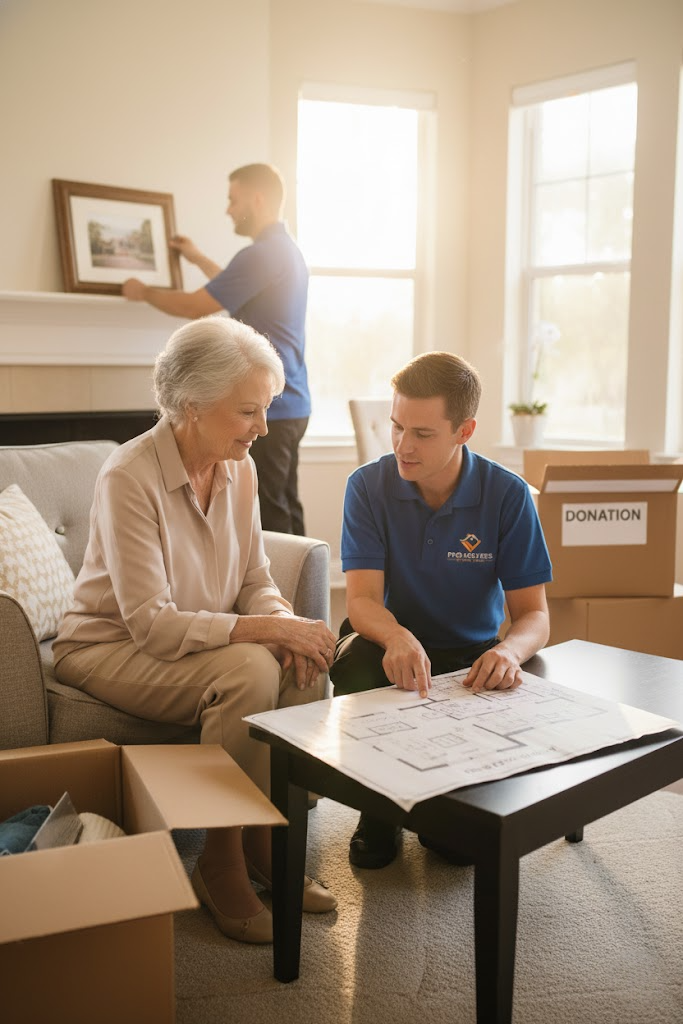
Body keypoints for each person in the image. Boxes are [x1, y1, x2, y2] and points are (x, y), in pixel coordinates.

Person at [53, 314, 337, 943]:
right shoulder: (128, 476)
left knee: (294, 662)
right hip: (107, 645)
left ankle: (268, 839)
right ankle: (221, 856)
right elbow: (151, 624)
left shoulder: (242, 469)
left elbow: (256, 580)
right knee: (250, 668)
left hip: (191, 644)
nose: (263, 428)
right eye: (247, 412)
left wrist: (286, 624)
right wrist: (263, 634)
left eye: (265, 409)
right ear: (190, 406)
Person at [330, 351, 552, 869]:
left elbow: (534, 615)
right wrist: (398, 637)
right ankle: (378, 810)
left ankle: (441, 804)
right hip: (383, 640)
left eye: (423, 434)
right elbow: (360, 601)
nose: (404, 446)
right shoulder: (366, 486)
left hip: (468, 652)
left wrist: (509, 653)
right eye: (396, 426)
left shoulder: (508, 495)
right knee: (360, 663)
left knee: (453, 852)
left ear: (464, 430)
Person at [122, 163, 310, 536]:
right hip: (294, 400)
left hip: (269, 403)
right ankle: (303, 590)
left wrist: (142, 292)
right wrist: (194, 257)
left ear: (257, 199)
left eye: (232, 198)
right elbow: (232, 285)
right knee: (285, 505)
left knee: (271, 515)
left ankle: (282, 591)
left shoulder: (260, 254)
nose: (227, 209)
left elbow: (196, 306)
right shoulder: (283, 251)